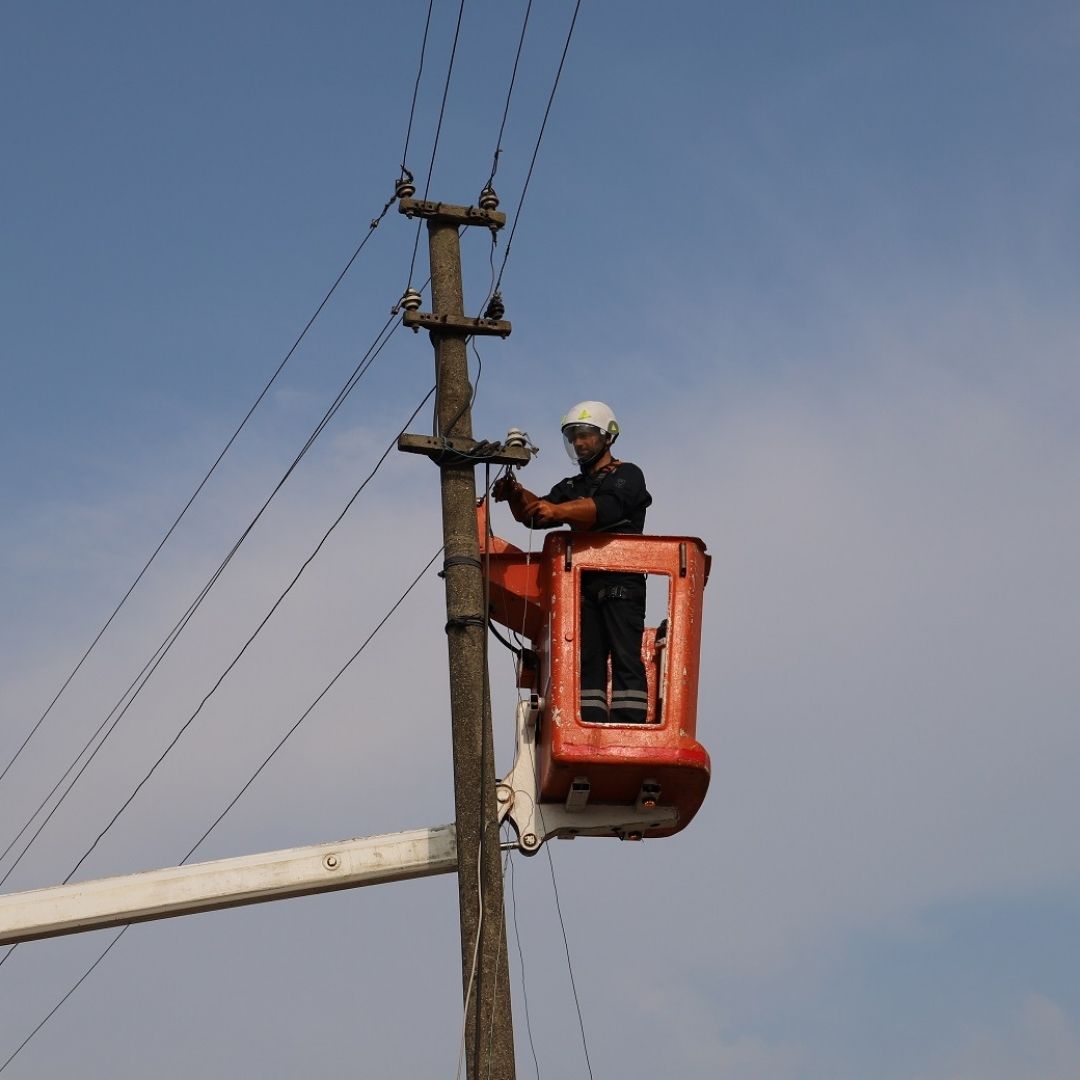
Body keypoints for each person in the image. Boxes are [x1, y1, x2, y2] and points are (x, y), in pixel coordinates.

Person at [492, 401, 653, 723]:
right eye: (574, 437)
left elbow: (606, 509)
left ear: (608, 437)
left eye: (586, 436)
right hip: (584, 582)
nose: (579, 443)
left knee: (624, 654)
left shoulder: (627, 475)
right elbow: (537, 515)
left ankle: (630, 724)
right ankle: (590, 723)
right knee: (589, 658)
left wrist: (558, 511)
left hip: (621, 578)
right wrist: (516, 494)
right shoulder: (572, 487)